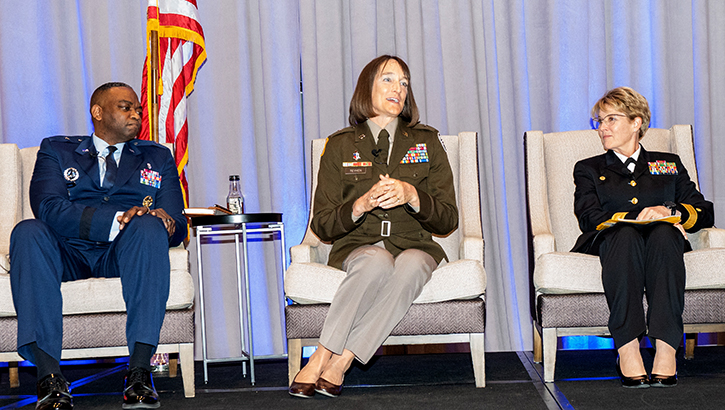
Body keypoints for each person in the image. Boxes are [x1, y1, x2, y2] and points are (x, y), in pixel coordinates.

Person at [288, 55, 458, 399]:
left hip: (417, 244)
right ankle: (325, 353)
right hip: (358, 244)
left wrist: (412, 194)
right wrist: (360, 205)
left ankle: (340, 359)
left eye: (404, 83)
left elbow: (447, 218)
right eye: (388, 79)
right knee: (376, 261)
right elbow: (321, 223)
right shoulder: (339, 145)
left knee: (410, 264)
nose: (398, 88)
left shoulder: (426, 141)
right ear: (368, 87)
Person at [9, 82, 187, 409]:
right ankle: (50, 378)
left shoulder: (157, 156)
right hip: (67, 251)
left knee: (148, 228)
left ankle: (138, 373)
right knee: (27, 231)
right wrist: (117, 218)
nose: (136, 113)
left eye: (138, 109)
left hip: (124, 253)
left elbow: (178, 222)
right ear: (98, 112)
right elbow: (47, 207)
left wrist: (165, 223)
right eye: (126, 107)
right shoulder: (56, 150)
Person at [571, 86, 714, 388]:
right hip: (611, 242)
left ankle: (665, 348)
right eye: (599, 121)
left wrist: (669, 210)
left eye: (611, 119)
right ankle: (627, 347)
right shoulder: (589, 168)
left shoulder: (667, 163)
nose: (602, 128)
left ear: (636, 123)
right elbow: (588, 217)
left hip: (661, 242)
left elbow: (704, 211)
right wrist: (634, 218)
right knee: (624, 235)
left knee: (664, 233)